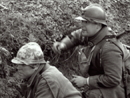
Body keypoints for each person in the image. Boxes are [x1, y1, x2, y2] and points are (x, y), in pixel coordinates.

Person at [53, 4, 125, 98]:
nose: (82, 25)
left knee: (92, 95)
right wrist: (63, 44)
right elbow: (77, 35)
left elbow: (114, 78)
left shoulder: (109, 48)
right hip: (103, 78)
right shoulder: (94, 33)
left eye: (86, 22)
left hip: (119, 87)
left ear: (98, 25)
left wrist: (86, 81)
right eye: (82, 21)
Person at [11, 42, 82, 98]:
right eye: (18, 64)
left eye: (23, 64)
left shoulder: (47, 80)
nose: (18, 67)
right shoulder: (38, 75)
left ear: (35, 65)